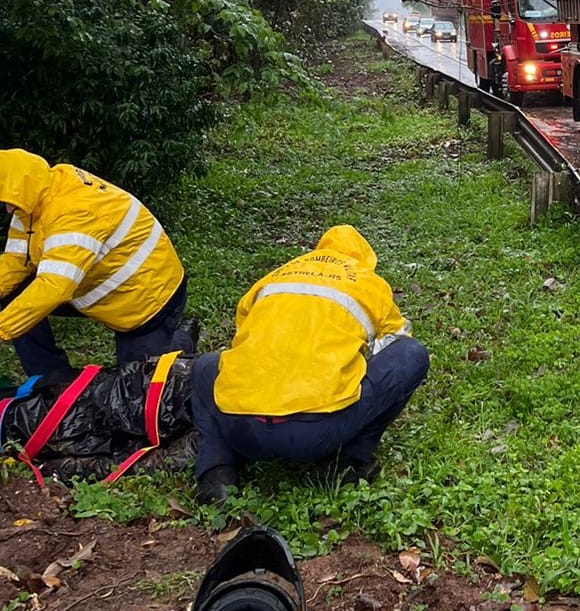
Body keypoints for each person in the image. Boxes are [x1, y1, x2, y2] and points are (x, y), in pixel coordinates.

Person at [191, 225, 429, 504]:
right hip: (315, 434)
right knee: (412, 354)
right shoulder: (367, 282)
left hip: (239, 427)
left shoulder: (274, 277)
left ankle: (216, 471)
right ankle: (345, 464)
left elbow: (243, 340)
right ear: (364, 260)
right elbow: (396, 341)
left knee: (205, 366)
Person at [0, 149, 192, 379]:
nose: (6, 209)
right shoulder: (38, 196)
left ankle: (181, 341)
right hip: (102, 287)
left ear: (18, 187)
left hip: (146, 301)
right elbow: (16, 261)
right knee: (13, 291)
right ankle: (52, 380)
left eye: (6, 200)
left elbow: (54, 287)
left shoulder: (74, 211)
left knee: (137, 386)